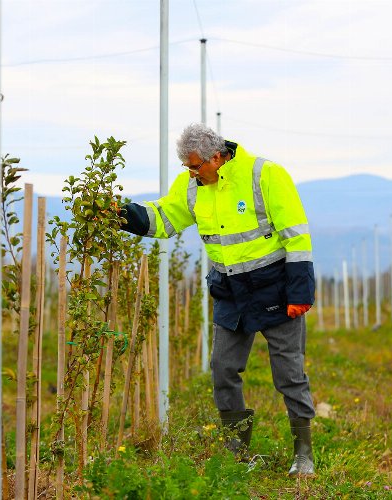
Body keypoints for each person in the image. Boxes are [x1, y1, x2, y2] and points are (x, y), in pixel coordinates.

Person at [119, 123, 316, 477]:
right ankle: (237, 450)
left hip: (276, 290)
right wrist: (122, 215)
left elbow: (296, 234)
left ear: (217, 157)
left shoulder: (265, 175)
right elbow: (164, 219)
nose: (192, 173)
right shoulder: (192, 186)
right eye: (187, 168)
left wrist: (301, 292)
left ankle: (303, 453)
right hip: (230, 292)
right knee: (223, 370)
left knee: (289, 374)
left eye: (196, 166)